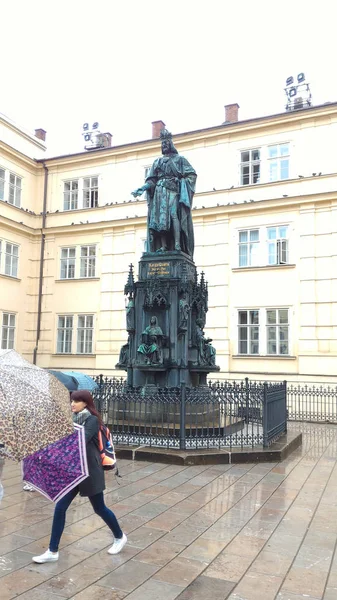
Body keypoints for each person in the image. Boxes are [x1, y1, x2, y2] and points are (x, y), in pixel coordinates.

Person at [32, 390, 127, 563]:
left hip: (90, 472)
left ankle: (120, 536)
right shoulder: (72, 419)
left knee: (99, 508)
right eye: (71, 401)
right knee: (60, 507)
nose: (72, 404)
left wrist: (63, 429)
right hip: (74, 471)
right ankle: (52, 551)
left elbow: (79, 439)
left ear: (85, 402)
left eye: (76, 401)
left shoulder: (92, 420)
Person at [132, 129, 197, 256]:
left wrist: (181, 181)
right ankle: (163, 246)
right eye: (162, 144)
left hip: (173, 191)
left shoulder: (180, 160)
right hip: (159, 193)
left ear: (171, 144)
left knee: (174, 215)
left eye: (166, 143)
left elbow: (192, 175)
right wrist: (143, 188)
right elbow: (152, 180)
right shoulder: (157, 162)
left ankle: (177, 244)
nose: (164, 146)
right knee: (160, 219)